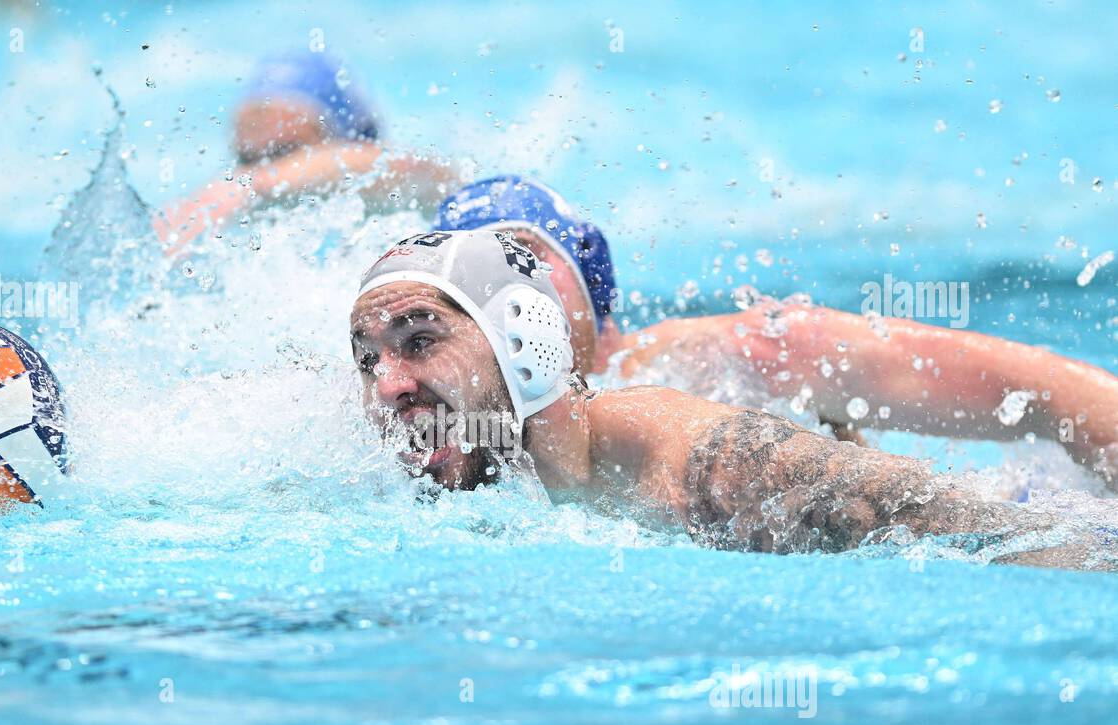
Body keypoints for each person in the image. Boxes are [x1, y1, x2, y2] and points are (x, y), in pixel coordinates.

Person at [350, 229, 1111, 570]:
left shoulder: (695, 460)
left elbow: (1004, 537)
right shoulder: (426, 468)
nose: (388, 384)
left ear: (525, 340)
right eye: (367, 359)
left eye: (420, 341)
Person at [433, 176, 1118, 490]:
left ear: (598, 310)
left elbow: (1047, 393)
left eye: (519, 256)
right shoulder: (410, 403)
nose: (495, 288)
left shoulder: (728, 358)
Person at [155, 51, 454, 256]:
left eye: (286, 152)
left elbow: (417, 169)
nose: (260, 168)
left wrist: (257, 183)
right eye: (248, 157)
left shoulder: (404, 196)